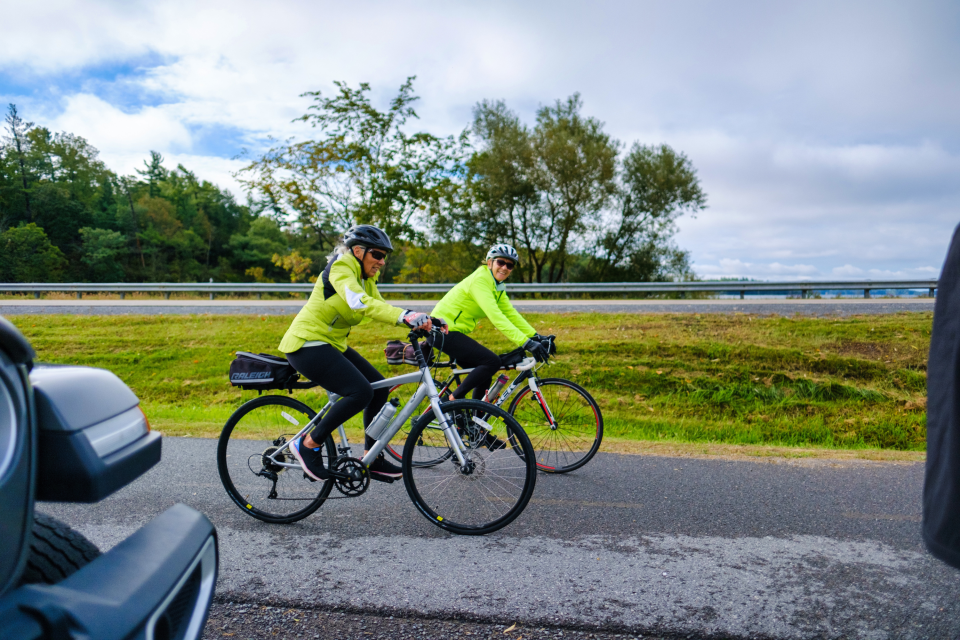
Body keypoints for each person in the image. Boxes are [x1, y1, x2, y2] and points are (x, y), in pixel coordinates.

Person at [280, 224, 441, 482]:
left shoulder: (366, 276)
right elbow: (357, 301)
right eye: (377, 254)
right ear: (358, 250)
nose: (382, 261)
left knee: (378, 388)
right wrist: (405, 316)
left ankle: (372, 456)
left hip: (331, 344)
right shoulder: (342, 267)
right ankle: (307, 444)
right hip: (307, 343)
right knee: (361, 391)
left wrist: (423, 319)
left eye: (384, 256)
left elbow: (378, 306)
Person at [430, 243, 551, 402]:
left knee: (484, 375)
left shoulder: (497, 286)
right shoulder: (481, 280)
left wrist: (536, 336)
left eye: (509, 265)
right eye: (500, 262)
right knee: (491, 362)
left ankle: (474, 423)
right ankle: (448, 402)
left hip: (452, 332)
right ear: (489, 263)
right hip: (443, 330)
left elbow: (510, 314)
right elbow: (496, 317)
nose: (505, 268)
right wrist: (526, 343)